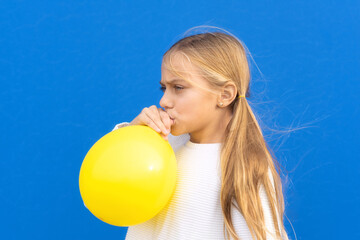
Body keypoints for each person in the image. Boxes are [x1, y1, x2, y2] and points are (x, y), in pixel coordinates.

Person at [112, 26, 289, 240]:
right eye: (163, 88)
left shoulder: (244, 168)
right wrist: (132, 135)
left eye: (178, 87)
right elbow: (111, 182)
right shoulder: (161, 145)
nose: (163, 101)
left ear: (225, 95)